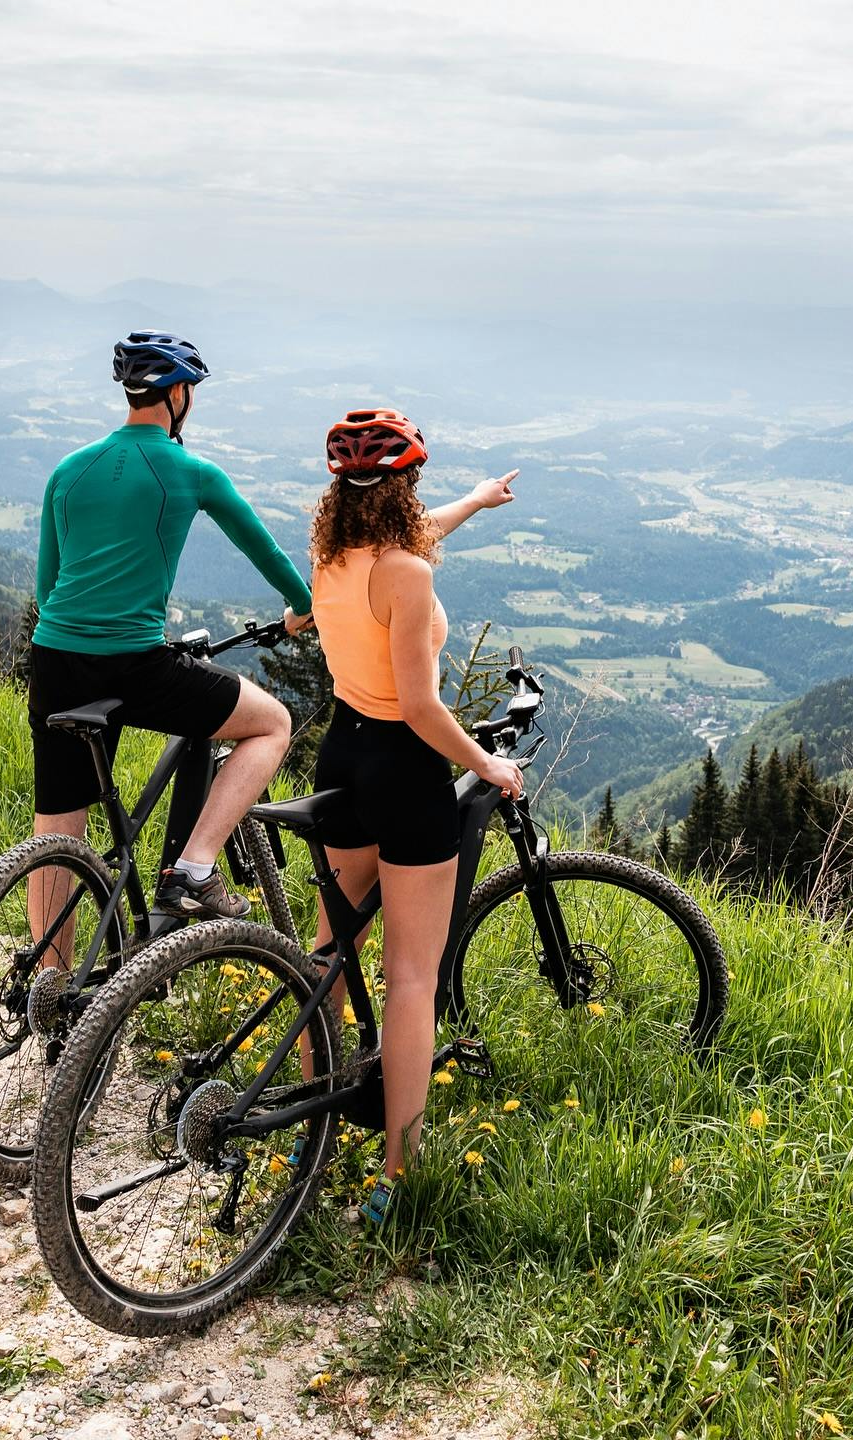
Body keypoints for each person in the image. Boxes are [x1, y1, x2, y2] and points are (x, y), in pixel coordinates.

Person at [307, 407, 524, 1225]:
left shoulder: (332, 557)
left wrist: (476, 500)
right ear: (402, 485)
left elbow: (413, 539)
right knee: (409, 979)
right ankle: (397, 1176)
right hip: (403, 768)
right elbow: (422, 709)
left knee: (330, 957)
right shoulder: (407, 575)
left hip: (342, 756)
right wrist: (487, 765)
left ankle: (313, 1135)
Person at [27, 330, 313, 942]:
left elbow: (47, 586)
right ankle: (193, 868)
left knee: (57, 831)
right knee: (272, 724)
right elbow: (263, 549)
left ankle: (49, 984)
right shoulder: (192, 471)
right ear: (177, 394)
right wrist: (302, 606)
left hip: (53, 657)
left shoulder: (68, 470)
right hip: (132, 663)